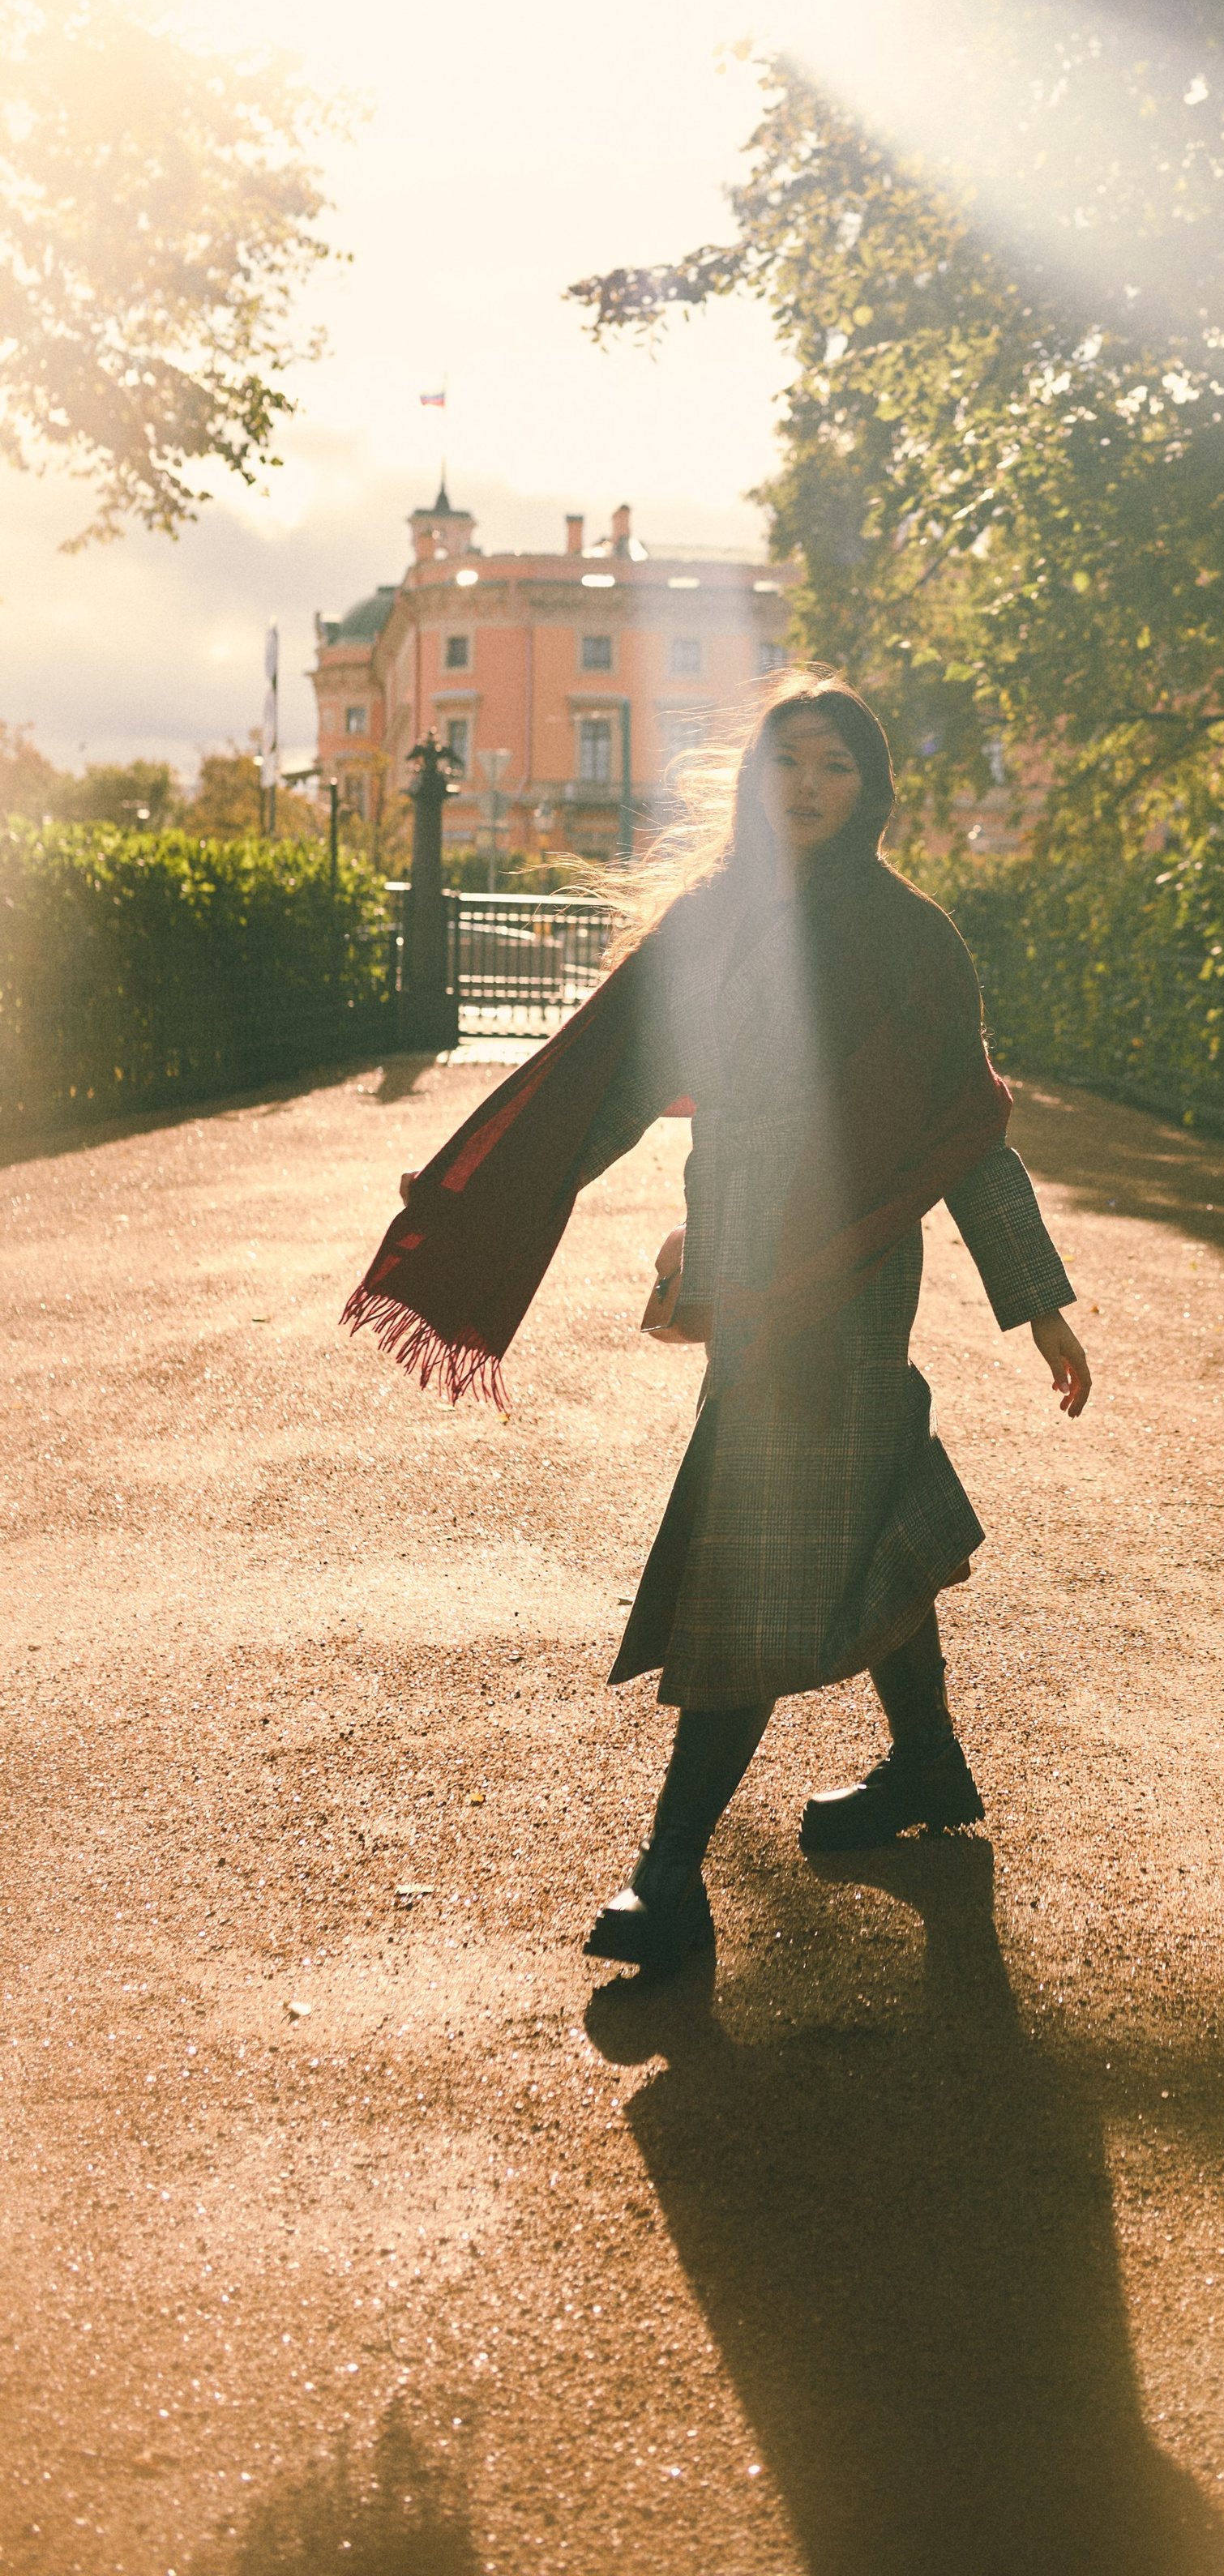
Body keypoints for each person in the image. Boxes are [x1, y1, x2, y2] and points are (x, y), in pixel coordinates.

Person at [343, 675, 1089, 1976]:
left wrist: (1042, 1307)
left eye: (837, 768)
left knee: (758, 1532)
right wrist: (483, 1198)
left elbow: (966, 1135)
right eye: (789, 761)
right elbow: (601, 1084)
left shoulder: (916, 939)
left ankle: (669, 1872)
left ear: (872, 791)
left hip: (850, 1275)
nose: (808, 787)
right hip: (747, 1266)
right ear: (755, 777)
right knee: (859, 1496)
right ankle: (926, 1762)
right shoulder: (715, 925)